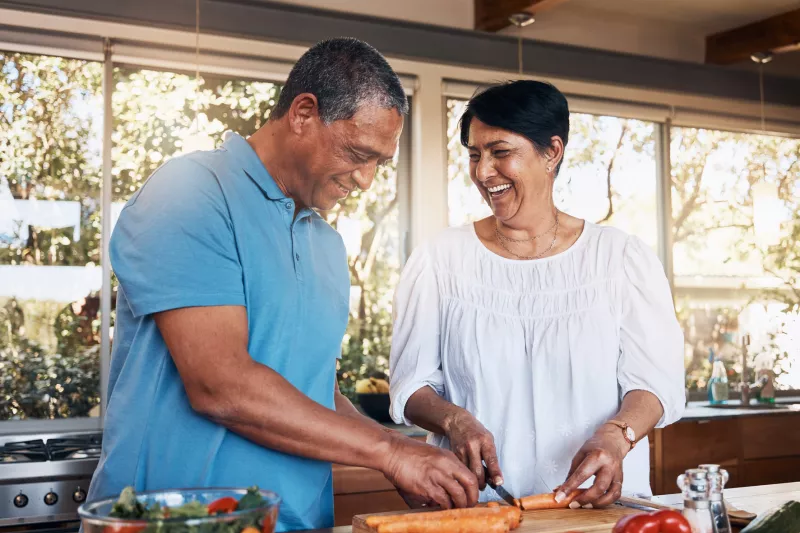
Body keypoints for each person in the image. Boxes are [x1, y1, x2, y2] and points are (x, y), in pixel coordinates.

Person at [87, 38, 478, 532]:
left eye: (380, 162)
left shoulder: (327, 247)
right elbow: (219, 384)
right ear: (303, 113)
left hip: (295, 523)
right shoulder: (190, 193)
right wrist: (389, 451)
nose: (366, 181)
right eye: (359, 154)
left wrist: (401, 453)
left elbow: (317, 392)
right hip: (172, 522)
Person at [389, 80, 685, 508]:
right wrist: (455, 420)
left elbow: (655, 384)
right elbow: (410, 385)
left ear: (552, 152)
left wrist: (617, 436)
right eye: (474, 155)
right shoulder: (440, 260)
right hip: (480, 509)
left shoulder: (620, 258)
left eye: (501, 152)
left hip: (596, 509)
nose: (483, 171)